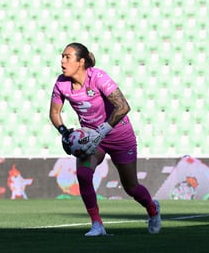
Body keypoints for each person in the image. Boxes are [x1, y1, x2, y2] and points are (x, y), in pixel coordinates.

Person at [49, 42, 161, 236]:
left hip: (119, 136)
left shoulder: (98, 77)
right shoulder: (61, 83)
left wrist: (103, 130)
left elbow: (123, 106)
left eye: (67, 57)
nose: (62, 61)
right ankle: (97, 225)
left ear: (81, 61)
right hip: (91, 138)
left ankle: (152, 209)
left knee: (131, 187)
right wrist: (64, 132)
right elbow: (54, 113)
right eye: (62, 56)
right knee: (83, 175)